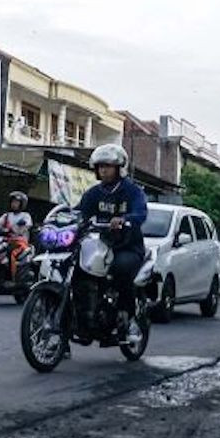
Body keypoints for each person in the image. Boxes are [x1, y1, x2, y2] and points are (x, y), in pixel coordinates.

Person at [76, 143, 148, 344]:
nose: (104, 170)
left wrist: (125, 220)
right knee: (76, 270)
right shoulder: (93, 194)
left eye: (108, 166)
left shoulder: (132, 191)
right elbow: (78, 212)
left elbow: (140, 213)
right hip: (98, 246)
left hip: (126, 247)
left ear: (119, 168)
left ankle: (130, 320)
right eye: (100, 166)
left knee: (120, 271)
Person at [0, 191, 32, 280]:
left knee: (12, 254)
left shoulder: (25, 216)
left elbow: (26, 226)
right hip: (7, 241)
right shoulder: (7, 215)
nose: (14, 204)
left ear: (22, 204)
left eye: (16, 202)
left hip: (20, 243)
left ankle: (13, 278)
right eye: (13, 202)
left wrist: (16, 228)